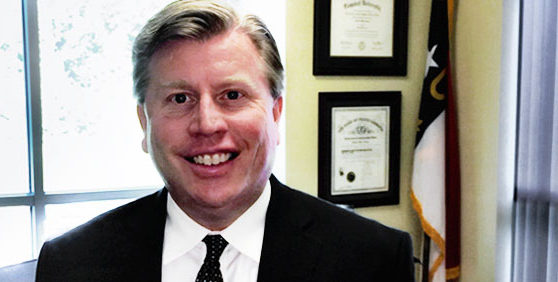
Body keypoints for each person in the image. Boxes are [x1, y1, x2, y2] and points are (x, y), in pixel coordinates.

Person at [35, 1, 415, 281]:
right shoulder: (70, 264)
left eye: (232, 95)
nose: (207, 124)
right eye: (179, 98)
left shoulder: (374, 260)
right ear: (143, 122)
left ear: (276, 113)